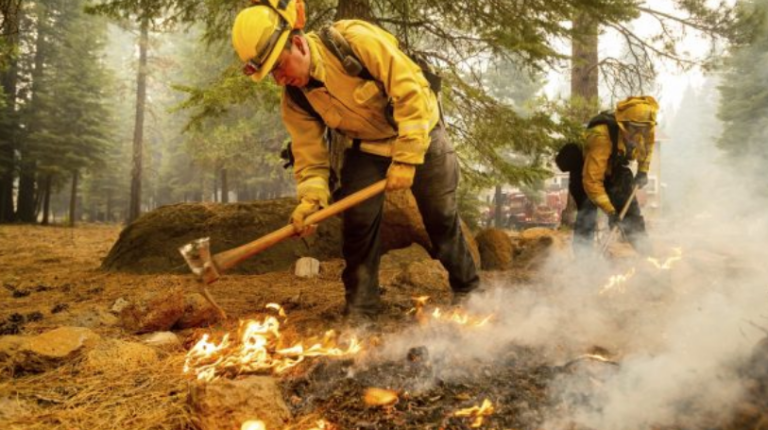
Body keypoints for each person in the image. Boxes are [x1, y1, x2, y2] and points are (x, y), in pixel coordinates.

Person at [231, 0, 480, 323]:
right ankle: (361, 310)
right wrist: (311, 200)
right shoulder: (295, 99)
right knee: (358, 223)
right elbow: (310, 157)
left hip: (423, 133)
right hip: (370, 147)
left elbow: (411, 94)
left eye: (279, 66)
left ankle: (469, 290)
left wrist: (406, 158)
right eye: (270, 74)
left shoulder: (357, 41)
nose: (279, 79)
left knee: (440, 218)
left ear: (297, 42)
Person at [572, 96, 659, 255]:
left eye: (643, 129)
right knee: (587, 214)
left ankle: (647, 255)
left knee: (631, 212)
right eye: (634, 129)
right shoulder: (601, 136)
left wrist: (642, 171)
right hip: (588, 170)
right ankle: (583, 263)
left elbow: (648, 146)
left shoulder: (646, 126)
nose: (639, 134)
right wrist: (611, 212)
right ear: (623, 124)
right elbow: (592, 182)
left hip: (616, 167)